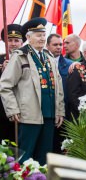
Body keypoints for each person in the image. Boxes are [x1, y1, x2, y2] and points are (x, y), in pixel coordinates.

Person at [0, 17, 65, 165]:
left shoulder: (49, 57)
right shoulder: (20, 56)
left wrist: (60, 110)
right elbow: (5, 85)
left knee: (44, 156)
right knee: (25, 156)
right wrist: (12, 109)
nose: (42, 38)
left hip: (49, 114)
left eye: (43, 35)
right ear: (28, 37)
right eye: (38, 35)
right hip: (28, 114)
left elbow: (59, 86)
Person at [46, 33, 72, 153]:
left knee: (60, 148)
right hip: (46, 111)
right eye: (55, 44)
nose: (58, 47)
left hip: (64, 112)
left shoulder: (70, 65)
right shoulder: (41, 62)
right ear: (47, 45)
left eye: (60, 44)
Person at [0, 24, 25, 142]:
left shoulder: (27, 59)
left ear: (22, 42)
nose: (13, 43)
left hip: (22, 109)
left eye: (16, 40)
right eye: (10, 40)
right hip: (2, 110)